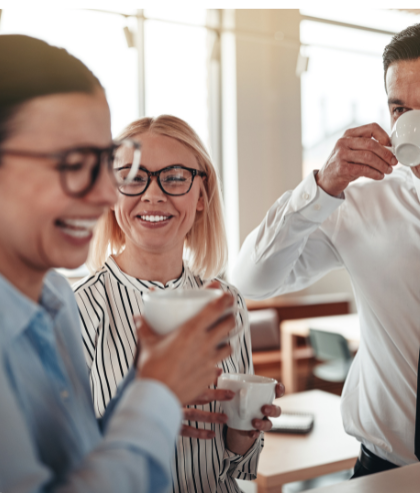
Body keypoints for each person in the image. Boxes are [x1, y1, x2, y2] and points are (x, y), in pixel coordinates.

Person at [231, 21, 420, 477]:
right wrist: (319, 187)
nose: (417, 124)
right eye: (401, 109)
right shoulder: (355, 198)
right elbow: (251, 279)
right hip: (380, 471)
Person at [0, 34, 236, 492]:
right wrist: (157, 394)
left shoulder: (55, 300)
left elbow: (79, 463)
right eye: (72, 163)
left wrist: (143, 384)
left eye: (103, 162)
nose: (108, 194)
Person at [73, 115, 284, 493]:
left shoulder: (228, 302)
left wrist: (245, 428)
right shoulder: (77, 310)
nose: (153, 195)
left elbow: (238, 465)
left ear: (201, 196)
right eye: (134, 177)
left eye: (173, 177)